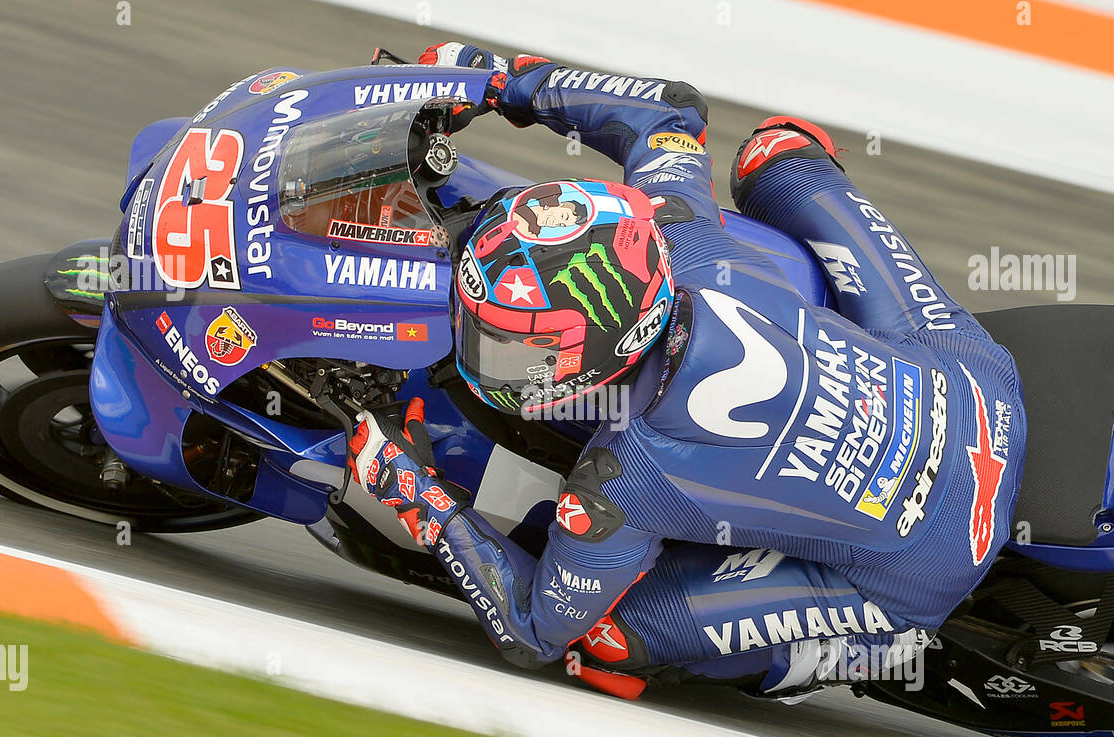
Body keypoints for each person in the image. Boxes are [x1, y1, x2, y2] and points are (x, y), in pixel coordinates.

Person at [349, 42, 1027, 700]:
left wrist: (415, 493)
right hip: (974, 388)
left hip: (927, 565)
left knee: (608, 640)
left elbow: (532, 633)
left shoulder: (625, 479)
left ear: (598, 351)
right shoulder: (685, 241)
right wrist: (498, 81)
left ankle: (843, 655)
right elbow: (669, 114)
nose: (489, 356)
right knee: (777, 153)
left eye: (513, 347)